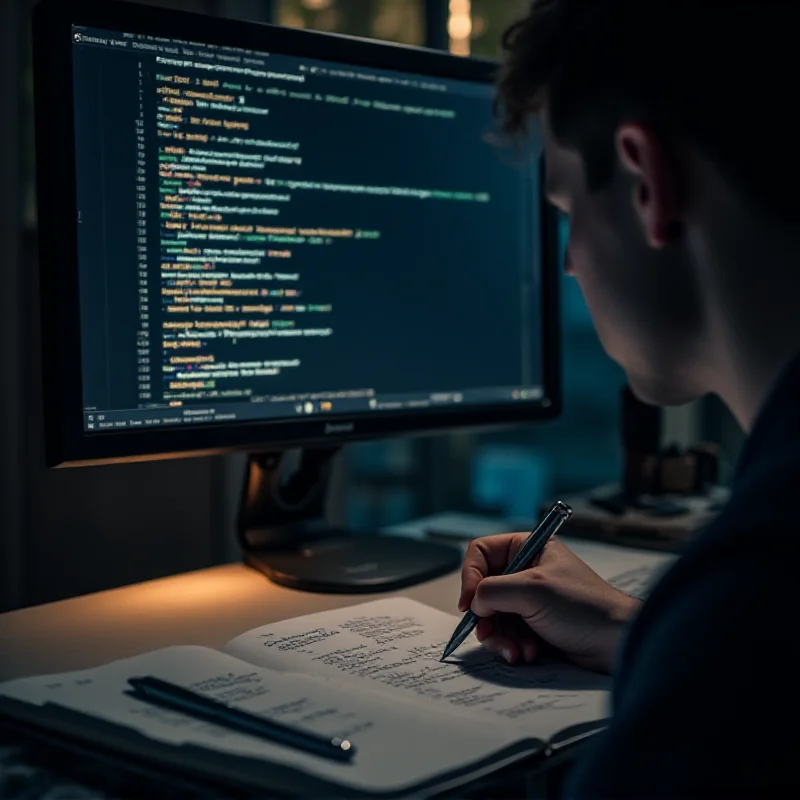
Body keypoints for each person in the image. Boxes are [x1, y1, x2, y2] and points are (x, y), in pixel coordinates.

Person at [459, 1, 800, 796]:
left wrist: (702, 638)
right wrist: (636, 629)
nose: (571, 263)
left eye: (569, 210)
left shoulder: (757, 596)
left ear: (647, 181)